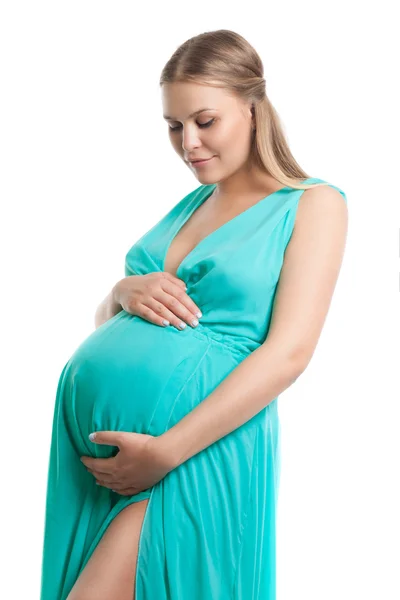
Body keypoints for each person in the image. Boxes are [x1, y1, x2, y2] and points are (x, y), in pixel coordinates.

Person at [40, 29, 348, 600]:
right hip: (111, 466)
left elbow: (289, 353)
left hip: (195, 453)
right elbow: (120, 322)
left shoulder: (312, 203)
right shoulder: (194, 203)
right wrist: (121, 291)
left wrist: (167, 450)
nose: (188, 142)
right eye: (174, 126)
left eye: (205, 121)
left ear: (253, 109)